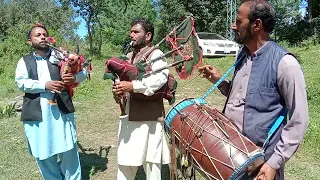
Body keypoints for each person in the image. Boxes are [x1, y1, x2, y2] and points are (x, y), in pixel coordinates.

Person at [198, 1, 308, 180]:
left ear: (256, 25)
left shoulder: (286, 64)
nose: (234, 26)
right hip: (230, 154)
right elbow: (245, 98)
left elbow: (299, 120)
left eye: (239, 21)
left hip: (260, 163)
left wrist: (274, 163)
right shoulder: (242, 54)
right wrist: (219, 81)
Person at [15, 23, 88, 180]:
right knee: (43, 150)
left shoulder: (62, 57)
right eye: (38, 35)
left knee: (68, 148)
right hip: (37, 114)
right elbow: (21, 82)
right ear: (30, 41)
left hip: (61, 110)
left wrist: (75, 77)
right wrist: (45, 85)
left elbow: (84, 72)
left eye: (44, 34)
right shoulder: (24, 61)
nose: (42, 37)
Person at [113, 18, 171, 180]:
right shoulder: (129, 55)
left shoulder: (157, 54)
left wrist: (132, 87)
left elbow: (159, 79)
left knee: (151, 163)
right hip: (129, 116)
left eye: (136, 32)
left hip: (149, 119)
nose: (131, 34)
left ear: (148, 36)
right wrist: (118, 90)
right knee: (125, 160)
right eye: (131, 31)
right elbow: (121, 78)